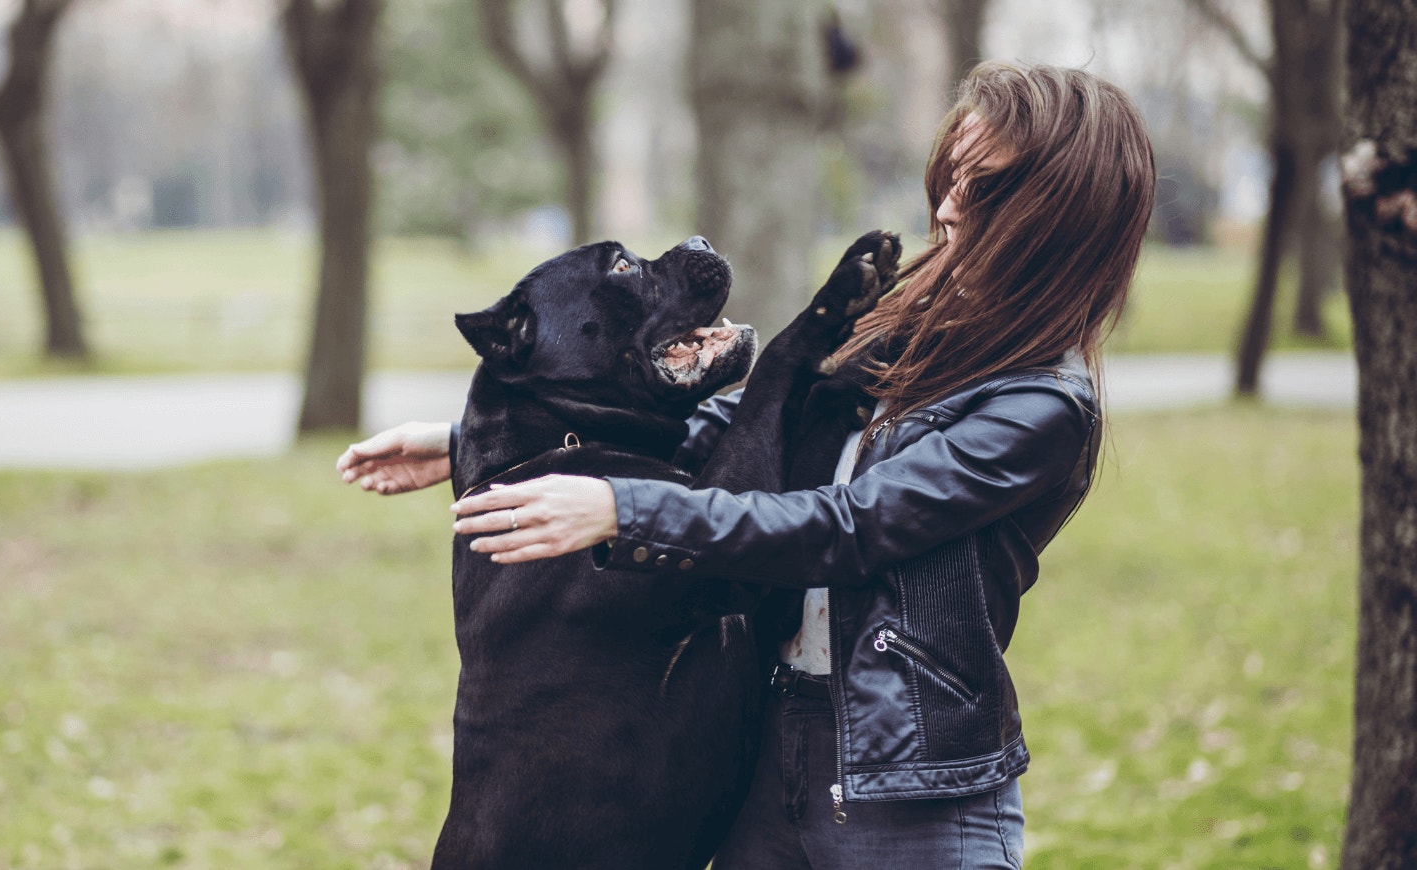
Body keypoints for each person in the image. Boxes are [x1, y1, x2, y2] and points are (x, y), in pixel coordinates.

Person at [338, 61, 1155, 868]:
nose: (944, 207)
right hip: (772, 765)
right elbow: (757, 423)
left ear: (1058, 217)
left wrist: (624, 509)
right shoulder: (917, 327)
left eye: (980, 189)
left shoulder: (1041, 408)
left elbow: (849, 527)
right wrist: (473, 445)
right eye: (948, 178)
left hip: (908, 801)